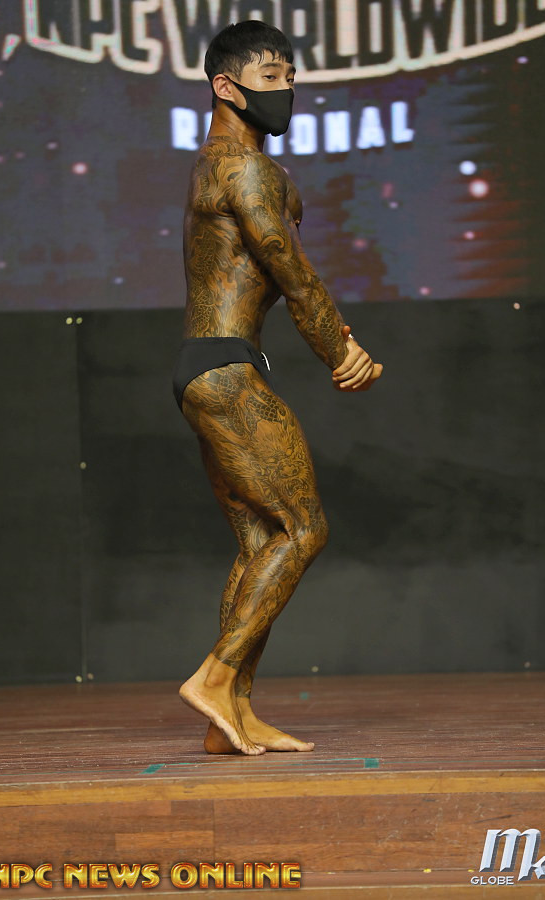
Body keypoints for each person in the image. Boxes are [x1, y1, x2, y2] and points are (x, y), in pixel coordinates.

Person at [173, 20, 383, 756]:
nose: (286, 89)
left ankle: (230, 713)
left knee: (261, 541)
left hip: (209, 366)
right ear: (226, 87)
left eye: (291, 77)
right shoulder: (245, 169)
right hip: (226, 370)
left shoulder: (220, 166)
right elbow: (292, 273)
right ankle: (214, 676)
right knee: (305, 529)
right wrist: (341, 348)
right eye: (270, 77)